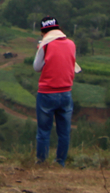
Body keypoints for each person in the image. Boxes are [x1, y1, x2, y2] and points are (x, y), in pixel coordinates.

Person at [33, 15, 80, 166]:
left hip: (47, 93)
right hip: (66, 92)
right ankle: (60, 162)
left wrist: (40, 51)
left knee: (43, 131)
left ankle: (41, 162)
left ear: (43, 32)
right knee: (64, 132)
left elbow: (37, 67)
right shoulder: (71, 44)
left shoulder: (45, 45)